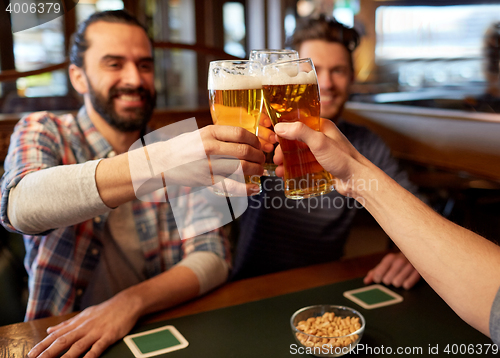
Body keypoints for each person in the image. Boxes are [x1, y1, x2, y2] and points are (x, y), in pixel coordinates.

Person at [0, 10, 265, 358]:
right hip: (58, 339)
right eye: (114, 64)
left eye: (144, 65)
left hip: (163, 331)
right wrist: (161, 163)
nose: (134, 79)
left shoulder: (178, 144)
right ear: (78, 77)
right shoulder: (44, 129)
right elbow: (20, 207)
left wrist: (129, 303)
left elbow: (212, 258)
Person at [231, 16, 421, 289]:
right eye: (315, 69)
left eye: (339, 70)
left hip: (325, 285)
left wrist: (410, 252)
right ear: (286, 74)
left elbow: (415, 207)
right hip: (252, 286)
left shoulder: (364, 145)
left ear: (352, 77)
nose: (327, 83)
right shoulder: (264, 133)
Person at [272, 118, 500, 343]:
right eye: (318, 78)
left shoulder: (365, 141)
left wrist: (416, 250)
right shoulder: (270, 138)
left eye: (339, 76)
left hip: (332, 280)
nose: (328, 84)